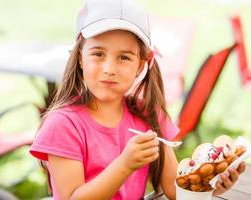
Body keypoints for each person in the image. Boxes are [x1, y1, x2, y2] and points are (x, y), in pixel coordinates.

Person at [30, 0, 246, 199]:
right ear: (80, 57)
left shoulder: (147, 115)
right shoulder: (63, 125)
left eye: (124, 57)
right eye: (98, 54)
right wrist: (124, 165)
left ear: (141, 64)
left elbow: (175, 190)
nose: (109, 69)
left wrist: (212, 182)